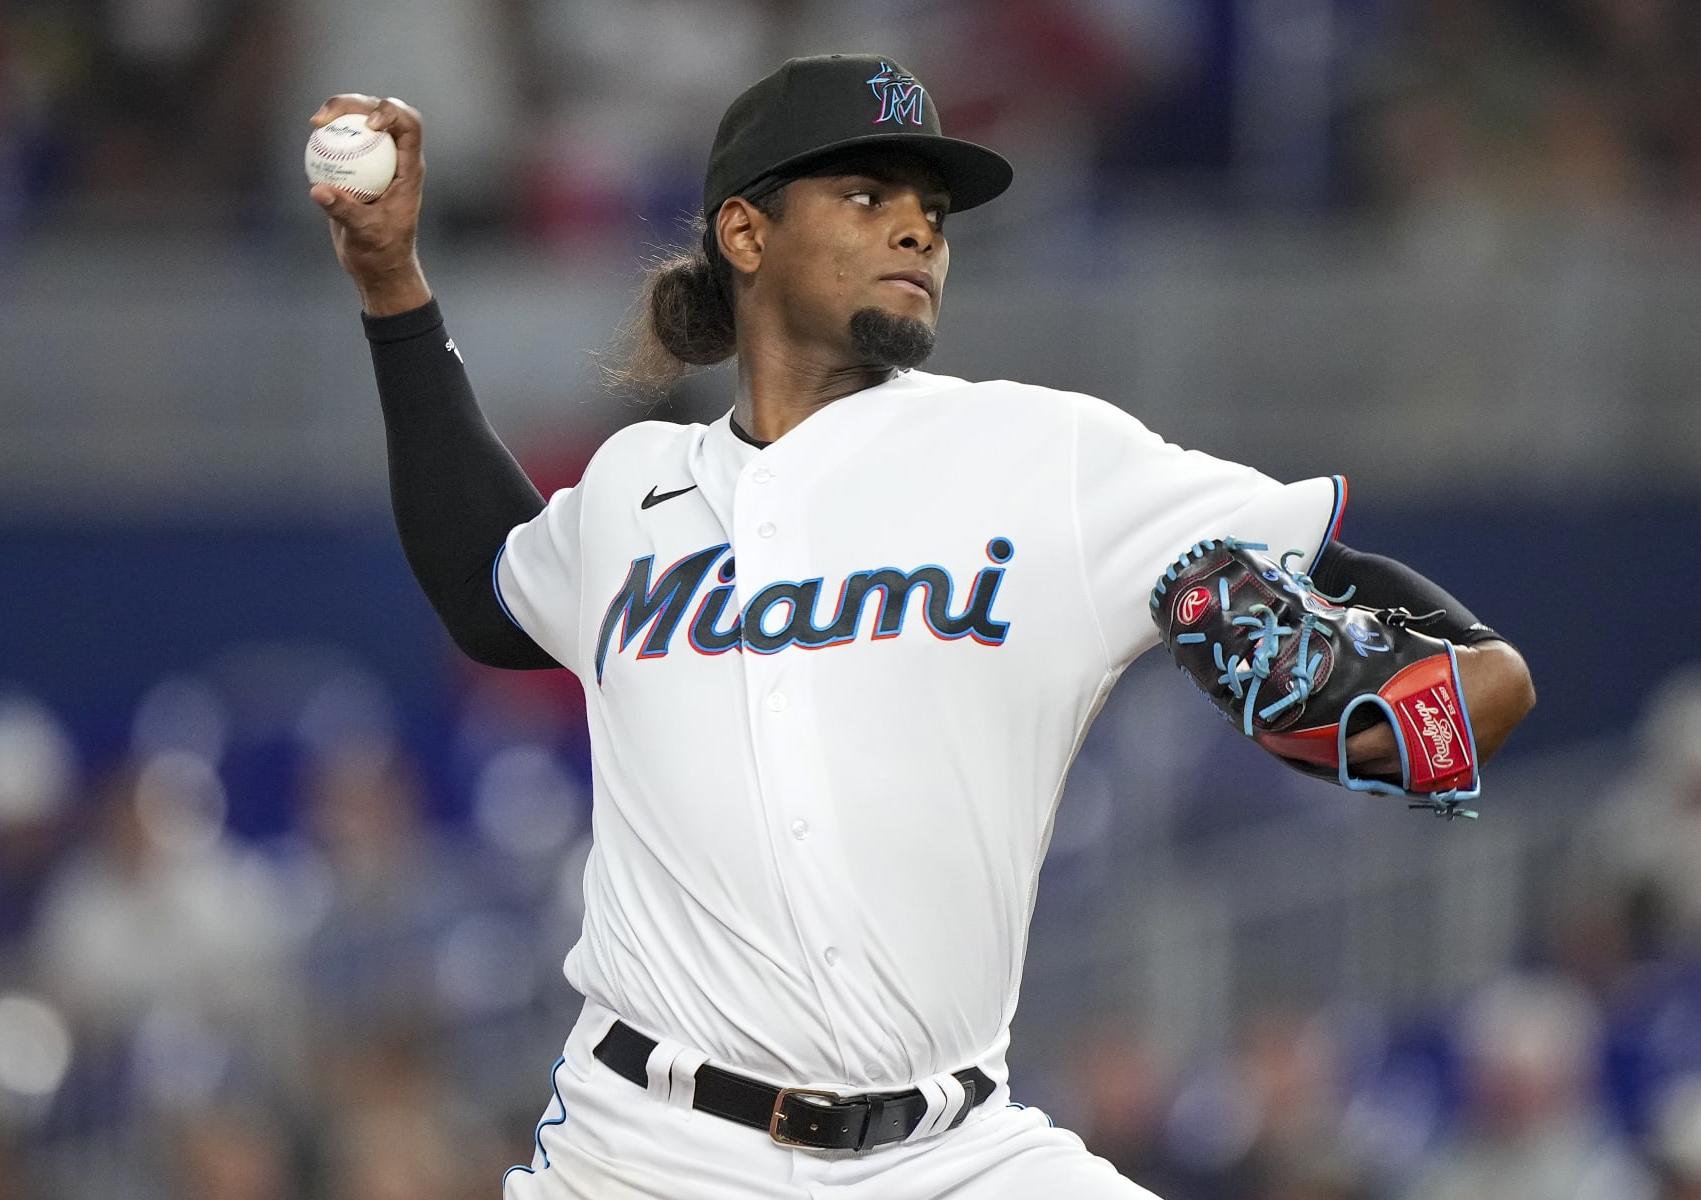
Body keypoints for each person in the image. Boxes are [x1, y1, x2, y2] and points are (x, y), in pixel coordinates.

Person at [309, 54, 1535, 1200]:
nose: (916, 228)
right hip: (645, 1149)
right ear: (745, 229)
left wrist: (1448, 690)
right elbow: (486, 585)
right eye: (865, 193)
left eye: (932, 212)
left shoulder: (1041, 453)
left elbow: (1401, 628)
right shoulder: (638, 489)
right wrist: (392, 291)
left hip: (951, 1156)